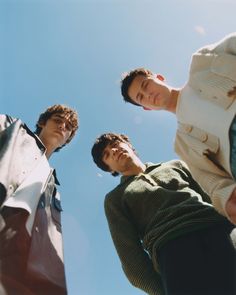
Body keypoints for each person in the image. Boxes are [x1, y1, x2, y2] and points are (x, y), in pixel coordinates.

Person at [91, 132, 236, 295]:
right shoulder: (114, 199)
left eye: (115, 144)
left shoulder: (176, 165)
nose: (114, 151)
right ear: (109, 168)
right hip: (173, 251)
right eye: (107, 154)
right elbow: (130, 256)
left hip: (221, 231)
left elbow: (214, 199)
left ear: (129, 145)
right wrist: (165, 290)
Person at [120, 32, 236, 224]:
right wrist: (227, 199)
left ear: (159, 77)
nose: (147, 94)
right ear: (147, 108)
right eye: (141, 97)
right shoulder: (183, 144)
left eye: (146, 85)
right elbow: (213, 184)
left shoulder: (203, 63)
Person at [0, 104, 79, 295]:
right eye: (58, 120)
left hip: (22, 252)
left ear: (67, 139)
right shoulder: (13, 128)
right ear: (43, 123)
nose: (63, 126)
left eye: (68, 127)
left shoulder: (52, 186)